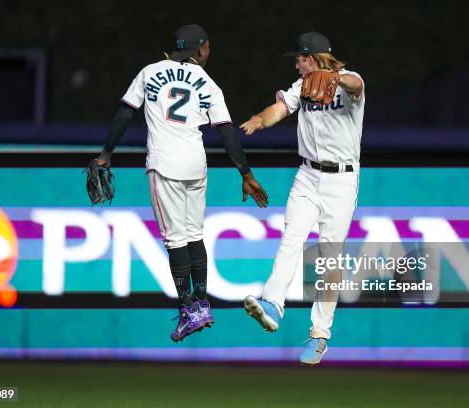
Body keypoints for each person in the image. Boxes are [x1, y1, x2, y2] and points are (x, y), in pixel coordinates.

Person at [96, 24, 268, 342]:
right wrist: (245, 173)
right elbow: (226, 132)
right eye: (207, 48)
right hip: (195, 163)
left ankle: (189, 309)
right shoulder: (208, 83)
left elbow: (124, 115)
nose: (209, 53)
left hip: (165, 164)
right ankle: (202, 304)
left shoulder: (149, 72)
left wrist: (106, 153)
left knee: (176, 241)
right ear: (199, 50)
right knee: (194, 235)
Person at [240, 32, 364, 364]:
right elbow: (279, 109)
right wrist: (260, 121)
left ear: (312, 58)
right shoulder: (301, 85)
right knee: (291, 238)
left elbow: (356, 86)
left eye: (299, 58)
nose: (296, 64)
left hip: (342, 180)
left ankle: (319, 335)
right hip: (307, 176)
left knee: (329, 260)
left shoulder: (345, 80)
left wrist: (333, 76)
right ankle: (272, 305)